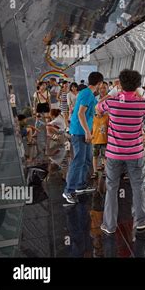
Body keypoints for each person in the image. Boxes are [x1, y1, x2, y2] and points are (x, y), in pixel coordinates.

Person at [96, 69, 145, 234]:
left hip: (114, 154)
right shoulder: (142, 103)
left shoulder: (112, 102)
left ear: (120, 84)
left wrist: (113, 92)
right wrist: (136, 93)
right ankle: (142, 220)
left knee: (112, 187)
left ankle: (109, 225)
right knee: (138, 186)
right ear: (137, 85)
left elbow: (98, 107)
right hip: (135, 153)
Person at [63, 72, 104, 204]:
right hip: (80, 132)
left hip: (84, 132)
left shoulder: (88, 94)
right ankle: (68, 191)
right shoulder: (87, 93)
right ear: (99, 83)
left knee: (86, 159)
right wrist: (87, 131)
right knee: (78, 161)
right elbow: (80, 113)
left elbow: (97, 105)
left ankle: (80, 185)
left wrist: (110, 96)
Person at [92, 83, 109, 180]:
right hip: (96, 135)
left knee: (104, 155)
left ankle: (104, 168)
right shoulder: (96, 98)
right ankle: (97, 169)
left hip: (104, 129)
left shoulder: (110, 97)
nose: (102, 89)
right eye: (101, 88)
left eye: (104, 88)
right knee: (96, 155)